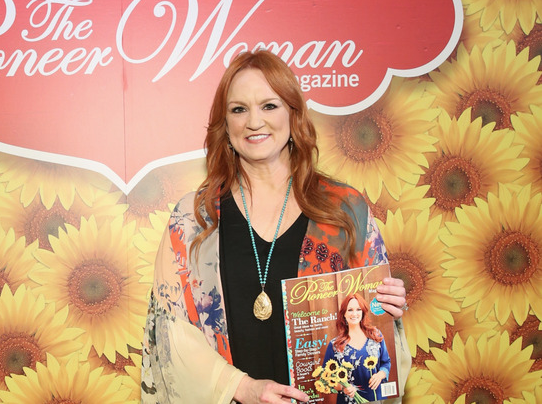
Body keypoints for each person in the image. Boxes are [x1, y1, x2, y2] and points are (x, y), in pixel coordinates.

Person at [140, 49, 409, 404]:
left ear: (293, 114)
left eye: (269, 106)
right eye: (239, 109)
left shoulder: (345, 211)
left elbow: (370, 334)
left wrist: (384, 308)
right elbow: (168, 333)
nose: (254, 122)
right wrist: (241, 388)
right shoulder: (194, 219)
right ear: (225, 124)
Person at [321, 293, 392, 404]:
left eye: (358, 309)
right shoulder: (335, 345)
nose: (354, 314)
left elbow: (386, 363)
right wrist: (343, 388)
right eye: (350, 310)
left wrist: (380, 375)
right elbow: (326, 379)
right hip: (348, 401)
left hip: (376, 398)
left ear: (363, 312)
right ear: (344, 313)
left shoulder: (376, 336)